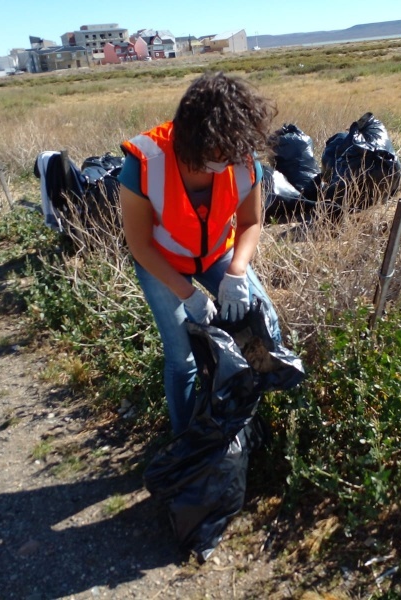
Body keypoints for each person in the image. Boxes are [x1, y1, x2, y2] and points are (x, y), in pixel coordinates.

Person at [118, 71, 281, 436]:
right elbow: (140, 245)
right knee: (182, 358)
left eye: (231, 152)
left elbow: (252, 222)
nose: (223, 161)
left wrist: (237, 272)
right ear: (190, 137)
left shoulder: (242, 157)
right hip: (161, 261)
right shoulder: (144, 162)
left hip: (216, 254)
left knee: (264, 329)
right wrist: (187, 293)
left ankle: (250, 424)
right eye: (214, 153)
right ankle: (186, 441)